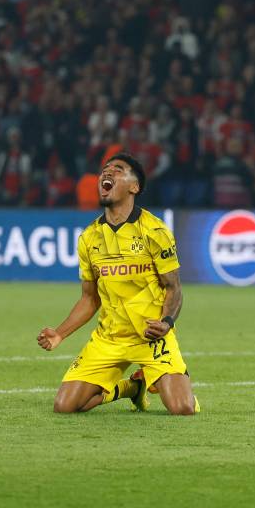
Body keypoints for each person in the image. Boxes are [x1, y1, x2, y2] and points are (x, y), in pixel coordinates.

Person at [36, 153, 199, 415]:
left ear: (134, 187)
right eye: (105, 170)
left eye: (118, 170)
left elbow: (174, 289)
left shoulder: (155, 232)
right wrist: (59, 333)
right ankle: (131, 388)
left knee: (183, 408)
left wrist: (166, 323)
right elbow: (90, 299)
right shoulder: (89, 238)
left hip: (151, 338)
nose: (107, 174)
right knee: (65, 406)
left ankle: (159, 378)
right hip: (109, 340)